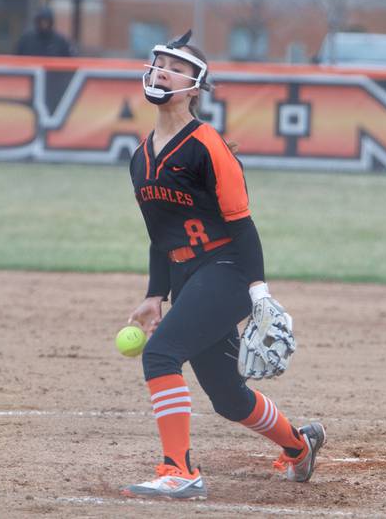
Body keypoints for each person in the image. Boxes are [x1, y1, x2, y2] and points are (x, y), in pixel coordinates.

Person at [121, 30, 326, 500]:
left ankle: (179, 469)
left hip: (228, 270)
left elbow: (242, 225)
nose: (162, 71)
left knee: (160, 355)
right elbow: (161, 234)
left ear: (195, 87)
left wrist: (259, 293)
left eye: (176, 67)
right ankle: (299, 445)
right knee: (228, 396)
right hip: (190, 276)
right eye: (158, 63)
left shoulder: (206, 144)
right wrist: (156, 294)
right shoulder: (140, 157)